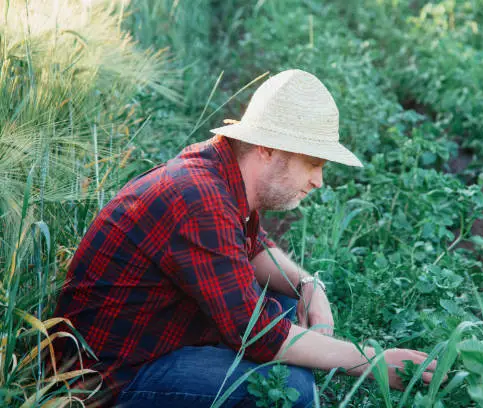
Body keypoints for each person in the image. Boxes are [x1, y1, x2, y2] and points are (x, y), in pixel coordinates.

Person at [52, 69, 439, 407]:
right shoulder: (201, 199)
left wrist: (308, 286)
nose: (319, 181)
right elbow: (259, 337)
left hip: (156, 333)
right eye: (314, 163)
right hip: (110, 378)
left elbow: (253, 248)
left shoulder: (222, 172)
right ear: (268, 149)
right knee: (291, 388)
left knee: (287, 301)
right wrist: (372, 361)